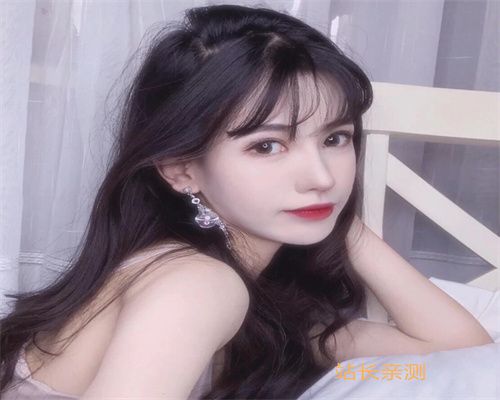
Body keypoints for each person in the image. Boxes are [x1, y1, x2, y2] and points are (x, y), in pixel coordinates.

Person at [0, 4, 493, 399]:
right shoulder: (196, 283)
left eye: (335, 138)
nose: (321, 177)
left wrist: (342, 222)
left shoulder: (269, 309)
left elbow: (459, 355)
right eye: (267, 146)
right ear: (182, 170)